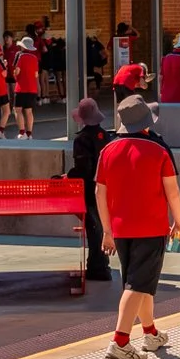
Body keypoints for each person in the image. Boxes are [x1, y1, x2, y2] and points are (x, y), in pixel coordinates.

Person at [94, 96, 180, 359]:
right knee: (137, 285)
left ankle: (151, 333)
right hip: (151, 227)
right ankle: (120, 341)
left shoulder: (107, 151)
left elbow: (101, 193)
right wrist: (179, 223)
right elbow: (173, 192)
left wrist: (107, 230)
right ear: (147, 123)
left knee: (139, 283)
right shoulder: (159, 151)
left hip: (120, 230)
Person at [69, 97, 114, 283]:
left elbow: (83, 169)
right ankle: (101, 265)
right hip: (107, 188)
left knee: (94, 228)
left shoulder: (81, 139)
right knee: (102, 228)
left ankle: (98, 268)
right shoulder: (106, 137)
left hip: (89, 190)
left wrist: (69, 176)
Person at [11, 36, 42, 138]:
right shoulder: (34, 58)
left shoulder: (21, 56)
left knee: (18, 110)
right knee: (29, 111)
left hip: (21, 88)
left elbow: (17, 71)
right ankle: (29, 134)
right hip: (32, 88)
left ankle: (21, 132)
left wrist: (15, 74)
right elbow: (36, 74)